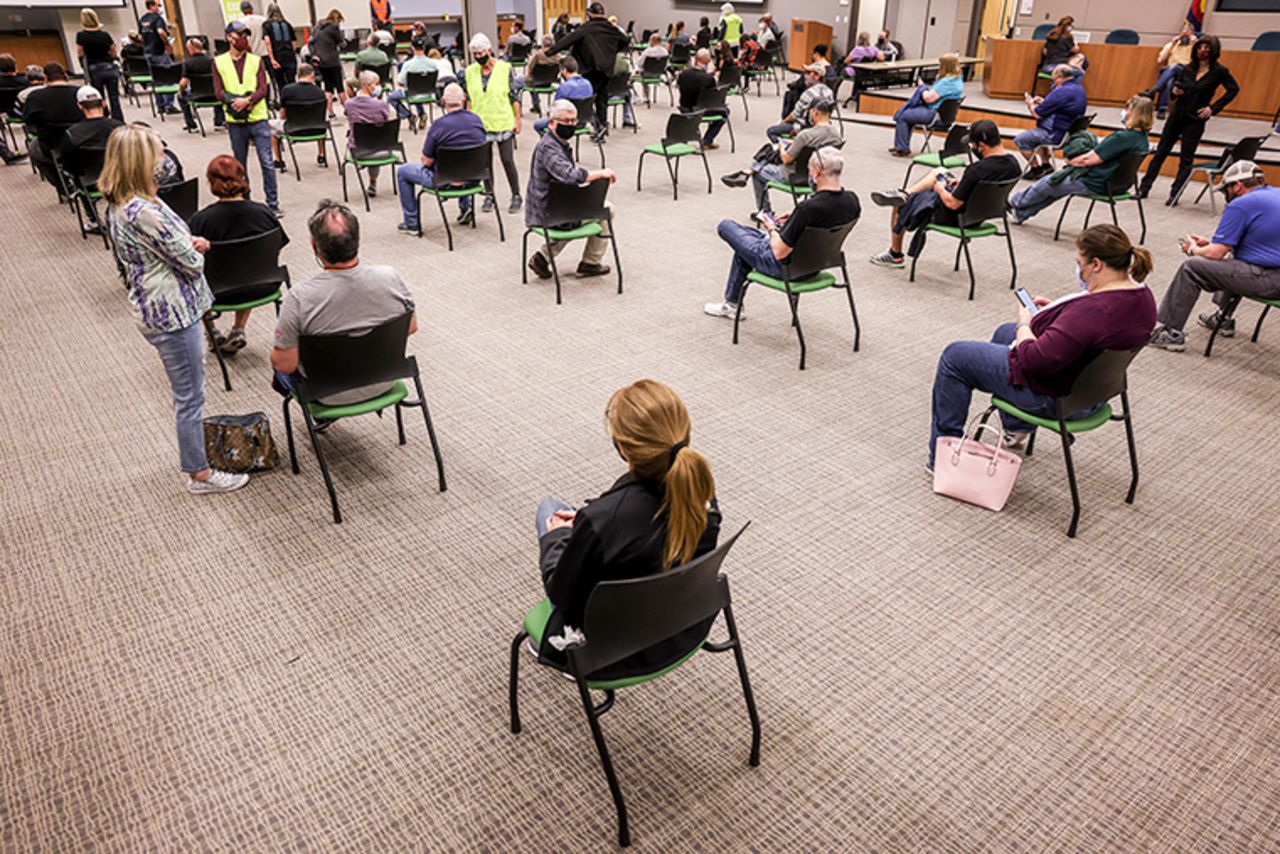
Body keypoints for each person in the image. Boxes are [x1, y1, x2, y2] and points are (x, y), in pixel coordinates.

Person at [531, 379, 721, 680]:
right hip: (680, 626)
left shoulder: (604, 521)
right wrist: (587, 521)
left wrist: (559, 534)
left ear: (623, 449)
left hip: (604, 649)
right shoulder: (701, 494)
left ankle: (569, 658)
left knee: (548, 508)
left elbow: (562, 592)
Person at [928, 224, 1155, 471]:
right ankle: (1017, 426)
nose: (1079, 269)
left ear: (1096, 264)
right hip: (1095, 392)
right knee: (1003, 332)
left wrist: (1024, 325)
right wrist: (1057, 315)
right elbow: (1091, 331)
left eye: (1080, 263)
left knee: (955, 357)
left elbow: (1035, 359)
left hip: (1059, 400)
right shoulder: (1143, 297)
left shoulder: (1093, 311)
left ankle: (942, 457)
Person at [100, 124, 249, 495]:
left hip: (166, 306)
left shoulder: (133, 201)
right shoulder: (141, 211)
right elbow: (191, 262)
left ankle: (198, 465)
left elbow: (176, 241)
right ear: (140, 161)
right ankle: (199, 473)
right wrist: (195, 247)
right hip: (171, 315)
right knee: (190, 397)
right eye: (158, 152)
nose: (165, 158)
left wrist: (189, 241)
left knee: (190, 392)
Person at [271, 199, 416, 409]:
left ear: (314, 247)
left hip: (327, 393)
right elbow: (410, 327)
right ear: (357, 239)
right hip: (384, 381)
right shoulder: (390, 277)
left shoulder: (298, 298)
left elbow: (285, 364)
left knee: (279, 360)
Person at [705, 147, 859, 319]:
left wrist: (771, 227)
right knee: (748, 238)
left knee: (726, 226)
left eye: (809, 170)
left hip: (786, 268)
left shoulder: (807, 209)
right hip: (815, 266)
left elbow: (779, 252)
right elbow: (826, 217)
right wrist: (794, 220)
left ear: (816, 171)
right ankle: (732, 303)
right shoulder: (852, 201)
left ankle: (732, 305)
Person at [1148, 161, 1280, 351]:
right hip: (1273, 273)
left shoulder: (1241, 204)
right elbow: (1262, 242)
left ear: (1238, 185)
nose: (1226, 195)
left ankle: (1170, 332)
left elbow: (1215, 254)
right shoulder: (1275, 194)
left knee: (1192, 267)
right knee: (1236, 259)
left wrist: (1193, 249)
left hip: (1270, 279)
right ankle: (1222, 318)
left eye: (1227, 189)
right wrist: (1212, 244)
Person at [869, 118, 1020, 269]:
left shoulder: (976, 170)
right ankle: (905, 193)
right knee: (939, 172)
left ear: (981, 146)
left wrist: (939, 189)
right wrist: (962, 183)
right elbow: (987, 185)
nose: (972, 148)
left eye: (973, 144)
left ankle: (895, 255)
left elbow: (952, 204)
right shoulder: (1014, 165)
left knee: (900, 204)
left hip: (958, 217)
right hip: (981, 214)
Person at [190, 154, 290, 353]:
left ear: (211, 182)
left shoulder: (201, 220)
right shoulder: (264, 213)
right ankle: (238, 328)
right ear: (242, 178)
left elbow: (191, 260)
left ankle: (212, 330)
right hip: (262, 284)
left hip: (216, 293)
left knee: (191, 277)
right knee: (250, 267)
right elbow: (276, 248)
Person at [1007, 95, 1154, 225]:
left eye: (1128, 109)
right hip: (1117, 184)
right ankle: (1020, 214)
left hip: (1096, 182)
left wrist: (1070, 161)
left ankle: (1012, 203)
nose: (1124, 113)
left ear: (1135, 114)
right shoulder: (1142, 140)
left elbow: (1087, 160)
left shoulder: (1122, 138)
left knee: (1050, 182)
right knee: (1055, 188)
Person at [1137, 34, 1238, 205]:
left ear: (1213, 51)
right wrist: (1175, 93)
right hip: (1178, 114)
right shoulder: (1187, 69)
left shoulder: (1219, 71)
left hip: (1196, 118)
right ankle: (1144, 189)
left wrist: (1212, 109)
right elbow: (1177, 89)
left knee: (1186, 158)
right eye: (1200, 47)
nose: (1202, 51)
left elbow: (1233, 90)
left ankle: (1174, 195)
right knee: (1160, 152)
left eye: (1206, 48)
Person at [524, 99, 616, 281]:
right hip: (546, 210)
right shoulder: (548, 147)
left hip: (558, 206)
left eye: (574, 121)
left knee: (589, 211)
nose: (571, 125)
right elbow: (570, 176)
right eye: (566, 121)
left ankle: (544, 257)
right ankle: (590, 263)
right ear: (552, 122)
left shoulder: (557, 143)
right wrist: (600, 173)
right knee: (605, 210)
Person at [395, 82, 487, 234]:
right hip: (474, 177)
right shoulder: (477, 120)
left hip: (444, 181)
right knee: (464, 160)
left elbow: (426, 160)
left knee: (404, 171)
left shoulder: (438, 125)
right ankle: (466, 207)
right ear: (464, 99)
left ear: (443, 101)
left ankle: (411, 223)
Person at [722, 98, 839, 215]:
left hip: (794, 175)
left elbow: (786, 159)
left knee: (759, 172)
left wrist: (781, 147)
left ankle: (764, 212)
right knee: (770, 152)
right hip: (822, 177)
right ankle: (747, 172)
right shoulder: (836, 135)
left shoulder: (806, 135)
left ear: (815, 112)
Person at [214, 20, 281, 216]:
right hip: (235, 121)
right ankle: (246, 200)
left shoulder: (256, 60)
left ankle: (273, 202)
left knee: (267, 162)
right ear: (229, 37)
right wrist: (234, 101)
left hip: (257, 117)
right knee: (239, 165)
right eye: (239, 35)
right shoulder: (219, 62)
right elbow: (218, 90)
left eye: (245, 36)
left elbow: (263, 87)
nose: (243, 39)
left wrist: (248, 100)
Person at [548, 1, 628, 143]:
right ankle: (602, 127)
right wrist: (612, 52)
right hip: (606, 70)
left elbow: (567, 41)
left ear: (590, 14)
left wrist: (550, 51)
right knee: (602, 100)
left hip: (590, 69)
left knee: (588, 99)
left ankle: (596, 125)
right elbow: (625, 41)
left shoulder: (585, 28)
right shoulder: (612, 28)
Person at [465, 33, 523, 214]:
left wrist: (518, 118)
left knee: (507, 160)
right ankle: (489, 194)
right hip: (480, 123)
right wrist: (467, 120)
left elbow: (514, 95)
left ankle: (516, 195)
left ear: (489, 50)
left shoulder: (505, 68)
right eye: (474, 54)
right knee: (485, 162)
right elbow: (469, 98)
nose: (478, 56)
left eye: (480, 52)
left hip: (503, 121)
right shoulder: (469, 71)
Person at [888, 52, 963, 156]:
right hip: (943, 114)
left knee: (903, 116)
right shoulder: (957, 80)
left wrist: (921, 86)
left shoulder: (947, 82)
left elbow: (928, 98)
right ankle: (901, 146)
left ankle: (902, 148)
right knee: (908, 114)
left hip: (934, 115)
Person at [23, 62, 81, 192]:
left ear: (45, 79)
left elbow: (28, 120)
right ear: (66, 77)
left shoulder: (35, 97)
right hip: (84, 142)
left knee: (33, 148)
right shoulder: (81, 92)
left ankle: (64, 187)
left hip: (53, 147)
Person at [1014, 63, 1086, 161]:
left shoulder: (1061, 91)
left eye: (1053, 80)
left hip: (1055, 135)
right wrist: (1044, 102)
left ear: (1060, 77)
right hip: (1069, 132)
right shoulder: (1079, 89)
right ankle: (1046, 165)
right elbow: (1062, 106)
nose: (1053, 83)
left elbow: (1037, 114)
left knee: (1020, 139)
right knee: (1039, 130)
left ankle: (1036, 168)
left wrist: (1030, 103)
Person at [342, 70, 394, 197]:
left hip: (357, 149)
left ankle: (370, 179)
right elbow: (390, 122)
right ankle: (373, 182)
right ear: (367, 85)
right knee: (374, 141)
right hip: (380, 148)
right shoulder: (381, 105)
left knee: (366, 139)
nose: (378, 87)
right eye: (376, 84)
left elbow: (348, 116)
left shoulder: (349, 104)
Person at [59, 85, 123, 184]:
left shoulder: (72, 134)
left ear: (80, 106)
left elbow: (68, 165)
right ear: (104, 103)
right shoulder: (120, 128)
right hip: (122, 179)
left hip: (90, 183)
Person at [269, 62, 328, 168]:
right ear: (312, 75)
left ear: (298, 74)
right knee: (320, 120)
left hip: (293, 128)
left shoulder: (287, 90)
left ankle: (278, 160)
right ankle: (321, 154)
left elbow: (282, 114)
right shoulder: (320, 92)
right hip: (318, 128)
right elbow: (322, 115)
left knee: (272, 126)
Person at [75, 8, 123, 122]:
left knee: (99, 96)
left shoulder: (81, 35)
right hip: (109, 67)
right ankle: (118, 120)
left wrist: (83, 66)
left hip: (94, 68)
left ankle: (103, 118)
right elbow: (113, 50)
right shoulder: (105, 35)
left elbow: (80, 52)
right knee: (114, 97)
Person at [675, 48, 728, 150]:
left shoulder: (683, 74)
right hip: (702, 110)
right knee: (725, 111)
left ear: (695, 59)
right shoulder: (708, 79)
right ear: (708, 61)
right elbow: (712, 97)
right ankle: (707, 140)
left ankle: (687, 135)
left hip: (685, 108)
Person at [767, 64, 832, 144]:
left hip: (803, 128)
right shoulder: (829, 92)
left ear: (817, 76)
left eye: (808, 73)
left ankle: (785, 149)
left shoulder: (808, 93)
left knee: (771, 131)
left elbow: (794, 115)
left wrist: (783, 122)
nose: (805, 76)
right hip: (823, 128)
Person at [1148, 22, 1196, 119]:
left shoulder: (1195, 47)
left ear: (1192, 34)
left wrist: (1195, 44)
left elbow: (1198, 62)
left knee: (1175, 67)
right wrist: (1172, 45)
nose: (1185, 35)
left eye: (1188, 33)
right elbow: (1160, 60)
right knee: (1168, 82)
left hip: (1186, 72)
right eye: (1183, 32)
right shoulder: (1171, 44)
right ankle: (1162, 109)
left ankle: (1155, 90)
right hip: (1171, 72)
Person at [532, 56, 591, 135]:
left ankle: (553, 144)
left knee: (537, 125)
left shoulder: (564, 87)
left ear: (564, 70)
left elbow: (555, 111)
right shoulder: (588, 84)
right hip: (582, 122)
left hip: (564, 123)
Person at [388, 37, 436, 131]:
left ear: (413, 48)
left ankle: (408, 115)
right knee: (417, 89)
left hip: (412, 92)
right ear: (424, 48)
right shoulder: (433, 64)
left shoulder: (408, 64)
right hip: (428, 93)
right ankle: (422, 113)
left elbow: (400, 82)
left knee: (391, 97)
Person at [138, 0, 177, 113]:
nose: (159, 8)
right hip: (159, 52)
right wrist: (167, 45)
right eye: (158, 5)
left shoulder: (142, 19)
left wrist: (147, 44)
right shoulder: (157, 18)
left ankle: (160, 106)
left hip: (148, 52)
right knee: (169, 77)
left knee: (156, 79)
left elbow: (140, 37)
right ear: (151, 6)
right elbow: (161, 32)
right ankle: (169, 105)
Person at [178, 38, 223, 133]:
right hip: (215, 96)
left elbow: (183, 83)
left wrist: (181, 92)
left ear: (192, 48)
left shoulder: (188, 63)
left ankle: (192, 125)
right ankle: (219, 122)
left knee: (180, 98)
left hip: (197, 96)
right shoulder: (213, 61)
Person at [308, 9, 346, 111]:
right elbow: (341, 42)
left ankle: (330, 112)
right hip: (332, 60)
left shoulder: (317, 27)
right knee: (340, 86)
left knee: (328, 87)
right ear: (337, 19)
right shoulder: (333, 27)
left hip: (321, 61)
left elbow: (311, 43)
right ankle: (347, 110)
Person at [263, 4, 298, 93]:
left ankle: (284, 103)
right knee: (292, 81)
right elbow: (293, 42)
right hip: (289, 55)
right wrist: (292, 54)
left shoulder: (267, 25)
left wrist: (272, 59)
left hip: (277, 56)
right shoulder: (287, 24)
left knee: (280, 83)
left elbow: (267, 41)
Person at [525, 35, 560, 115]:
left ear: (542, 43)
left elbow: (530, 69)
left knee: (524, 82)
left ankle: (536, 103)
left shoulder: (538, 55)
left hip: (535, 82)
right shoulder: (558, 56)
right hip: (551, 81)